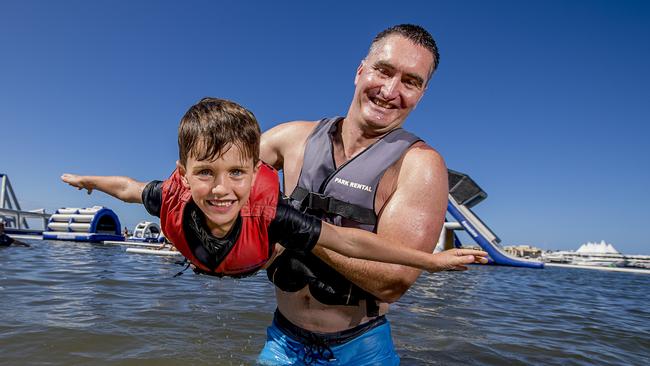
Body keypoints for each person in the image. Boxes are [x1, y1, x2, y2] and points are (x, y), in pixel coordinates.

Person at [62, 98, 486, 279]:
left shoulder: (272, 215)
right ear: (184, 174)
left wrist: (428, 261)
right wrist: (88, 182)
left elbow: (348, 241)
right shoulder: (170, 195)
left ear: (253, 170)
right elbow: (128, 188)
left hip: (257, 252)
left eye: (236, 174)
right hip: (205, 258)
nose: (221, 190)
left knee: (296, 239)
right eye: (205, 173)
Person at [258, 24, 454, 364]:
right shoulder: (290, 138)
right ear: (360, 71)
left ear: (421, 95)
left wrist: (297, 227)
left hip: (360, 349)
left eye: (410, 82)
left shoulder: (420, 166)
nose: (390, 91)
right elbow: (219, 175)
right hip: (282, 341)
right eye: (384, 70)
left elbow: (392, 282)